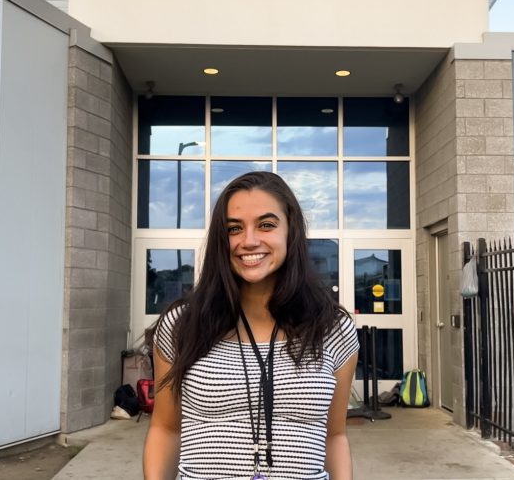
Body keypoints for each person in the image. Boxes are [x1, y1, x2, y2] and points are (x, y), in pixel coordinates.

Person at [143, 171, 359, 480]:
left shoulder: (332, 329)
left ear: (291, 231)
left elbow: (334, 436)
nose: (249, 241)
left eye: (266, 225)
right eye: (234, 228)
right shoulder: (182, 324)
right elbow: (165, 429)